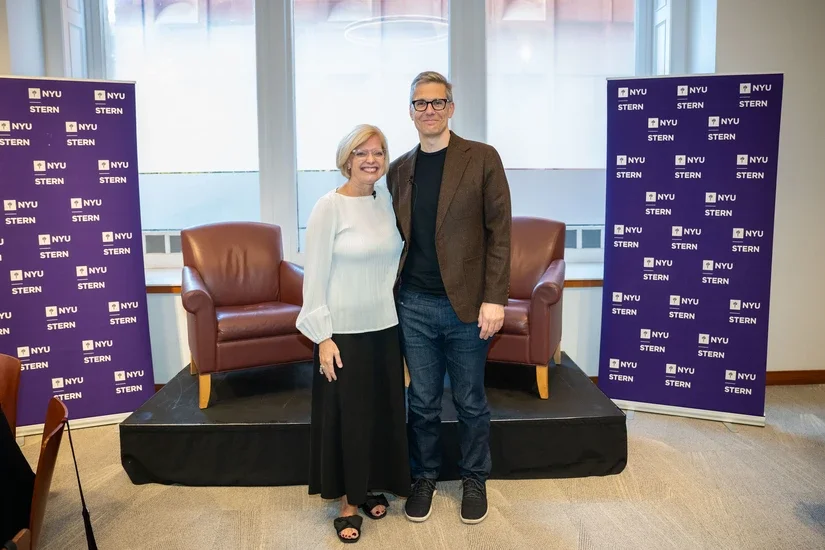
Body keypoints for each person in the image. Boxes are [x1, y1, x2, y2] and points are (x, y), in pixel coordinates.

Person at [387, 71, 512, 525]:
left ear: (452, 108)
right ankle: (423, 477)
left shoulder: (481, 158)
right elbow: (394, 238)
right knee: (420, 401)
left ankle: (474, 477)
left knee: (469, 400)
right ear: (411, 111)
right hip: (414, 305)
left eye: (438, 102)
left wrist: (495, 298)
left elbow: (500, 233)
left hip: (469, 307)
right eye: (421, 103)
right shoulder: (399, 169)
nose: (430, 110)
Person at [296, 125, 411, 543]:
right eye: (361, 152)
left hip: (384, 327)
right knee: (348, 419)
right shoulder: (329, 207)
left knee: (380, 414)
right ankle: (348, 502)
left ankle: (368, 486)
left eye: (378, 152)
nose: (371, 159)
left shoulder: (386, 202)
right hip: (341, 333)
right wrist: (322, 336)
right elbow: (315, 278)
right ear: (347, 159)